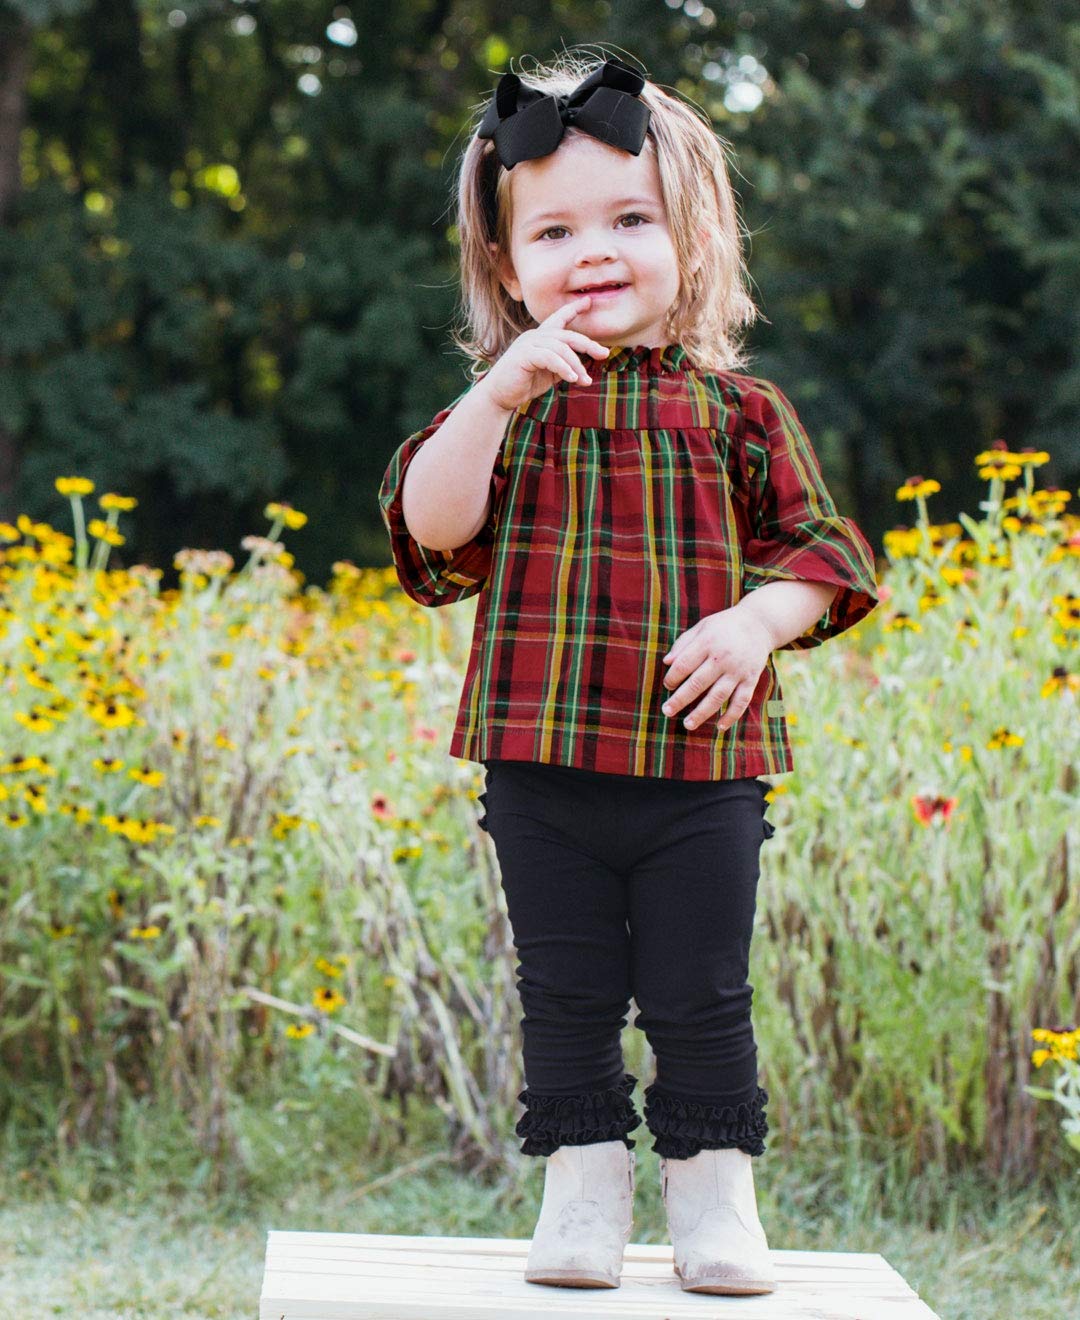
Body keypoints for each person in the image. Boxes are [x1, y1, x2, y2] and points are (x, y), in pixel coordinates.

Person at [378, 50, 880, 1296]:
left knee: (701, 989)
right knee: (566, 990)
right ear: (506, 266)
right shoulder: (508, 408)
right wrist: (491, 399)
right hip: (542, 763)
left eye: (629, 219)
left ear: (691, 239)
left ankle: (716, 1201)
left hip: (702, 770)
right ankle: (584, 1190)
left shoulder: (738, 412)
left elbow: (825, 557)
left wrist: (760, 625)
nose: (593, 249)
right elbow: (433, 529)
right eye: (553, 229)